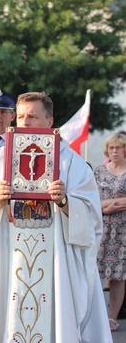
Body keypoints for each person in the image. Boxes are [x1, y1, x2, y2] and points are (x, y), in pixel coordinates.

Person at [0, 91, 112, 343]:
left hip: (54, 262)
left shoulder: (71, 163)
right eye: (20, 117)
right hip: (9, 259)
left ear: (49, 121)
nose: (25, 123)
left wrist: (65, 201)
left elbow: (92, 216)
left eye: (32, 117)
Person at [94, 131, 126, 332]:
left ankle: (112, 318)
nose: (114, 151)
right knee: (93, 273)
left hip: (123, 231)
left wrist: (106, 204)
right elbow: (90, 200)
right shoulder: (98, 171)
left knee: (118, 276)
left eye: (119, 147)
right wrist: (108, 207)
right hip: (100, 228)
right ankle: (92, 317)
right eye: (112, 148)